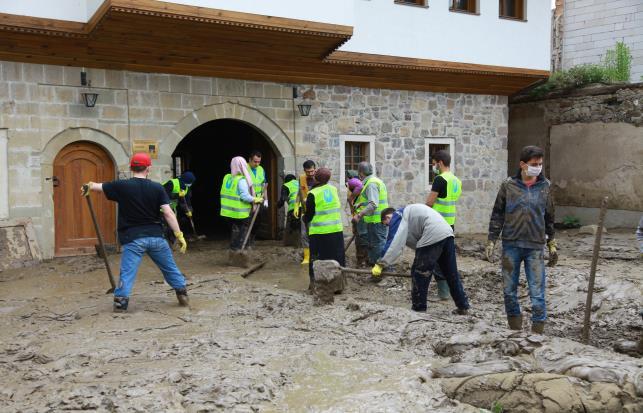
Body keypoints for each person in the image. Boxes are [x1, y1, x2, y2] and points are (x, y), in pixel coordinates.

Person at [81, 152, 189, 312]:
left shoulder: (122, 186)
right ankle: (182, 295)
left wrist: (88, 186)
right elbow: (168, 213)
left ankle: (121, 304)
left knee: (127, 272)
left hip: (133, 239)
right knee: (170, 268)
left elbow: (98, 186)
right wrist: (179, 234)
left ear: (131, 168)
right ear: (148, 169)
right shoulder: (157, 188)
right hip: (156, 237)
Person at [485, 145, 556, 334]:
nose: (538, 167)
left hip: (535, 246)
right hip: (511, 245)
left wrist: (552, 243)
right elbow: (497, 214)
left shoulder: (545, 186)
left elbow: (549, 216)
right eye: (534, 164)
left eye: (540, 164)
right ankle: (514, 331)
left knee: (537, 293)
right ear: (523, 165)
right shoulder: (508, 186)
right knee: (509, 291)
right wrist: (492, 239)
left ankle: (537, 333)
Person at [375, 204, 470, 314]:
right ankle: (463, 306)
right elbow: (413, 241)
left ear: (387, 217)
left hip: (432, 234)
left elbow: (393, 242)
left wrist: (380, 263)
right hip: (447, 233)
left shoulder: (397, 216)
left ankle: (418, 309)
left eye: (386, 224)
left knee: (419, 273)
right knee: (451, 272)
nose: (388, 227)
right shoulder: (409, 215)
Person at [426, 150, 462, 300]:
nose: (433, 166)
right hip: (450, 224)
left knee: (434, 259)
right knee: (447, 258)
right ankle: (448, 292)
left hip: (437, 225)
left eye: (434, 163)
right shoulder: (456, 180)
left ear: (440, 163)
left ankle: (443, 293)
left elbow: (429, 202)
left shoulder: (440, 179)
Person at [303, 167, 345, 290]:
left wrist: (304, 218)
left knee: (317, 260)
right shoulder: (333, 189)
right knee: (337, 259)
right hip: (336, 231)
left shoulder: (313, 194)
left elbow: (309, 214)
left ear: (317, 179)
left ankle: (316, 285)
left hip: (319, 233)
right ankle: (337, 286)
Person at [220, 156, 263, 252]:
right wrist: (256, 199)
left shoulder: (227, 177)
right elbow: (245, 197)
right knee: (243, 233)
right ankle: (240, 252)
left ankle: (233, 250)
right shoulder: (241, 180)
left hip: (227, 212)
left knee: (235, 231)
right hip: (240, 213)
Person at [352, 162, 389, 268]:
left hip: (376, 221)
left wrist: (359, 215)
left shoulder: (371, 184)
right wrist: (361, 204)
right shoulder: (376, 181)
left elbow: (373, 204)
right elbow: (372, 201)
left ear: (360, 173)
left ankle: (380, 271)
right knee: (375, 245)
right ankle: (375, 268)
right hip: (377, 219)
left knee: (378, 246)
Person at [162, 171, 195, 240]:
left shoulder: (186, 187)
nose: (190, 184)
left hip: (171, 207)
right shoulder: (172, 183)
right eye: (190, 182)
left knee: (173, 222)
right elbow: (163, 194)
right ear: (185, 180)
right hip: (161, 207)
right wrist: (177, 195)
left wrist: (188, 210)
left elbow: (186, 200)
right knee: (166, 225)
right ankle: (167, 240)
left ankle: (173, 239)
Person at [297, 160, 317, 264]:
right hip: (305, 211)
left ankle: (316, 255)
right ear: (304, 170)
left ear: (315, 170)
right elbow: (299, 193)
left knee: (314, 233)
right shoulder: (301, 178)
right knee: (304, 233)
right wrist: (297, 206)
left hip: (316, 212)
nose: (310, 174)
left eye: (312, 171)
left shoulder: (319, 179)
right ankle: (306, 257)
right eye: (308, 172)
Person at [247, 150, 268, 246]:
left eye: (259, 161)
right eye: (255, 161)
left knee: (258, 221)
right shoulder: (244, 169)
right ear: (250, 160)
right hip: (247, 200)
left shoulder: (261, 169)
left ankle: (252, 238)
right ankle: (246, 240)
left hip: (259, 199)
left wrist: (266, 199)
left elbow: (264, 185)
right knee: (247, 221)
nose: (257, 164)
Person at [346, 177, 368, 267]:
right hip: (358, 218)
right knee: (360, 238)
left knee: (362, 239)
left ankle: (363, 260)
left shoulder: (360, 189)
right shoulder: (351, 192)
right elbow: (352, 207)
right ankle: (361, 260)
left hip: (363, 218)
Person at [277, 174, 300, 246]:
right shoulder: (299, 183)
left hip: (294, 208)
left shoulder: (286, 185)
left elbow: (283, 199)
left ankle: (293, 244)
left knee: (292, 227)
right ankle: (301, 244)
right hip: (304, 207)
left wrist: (278, 205)